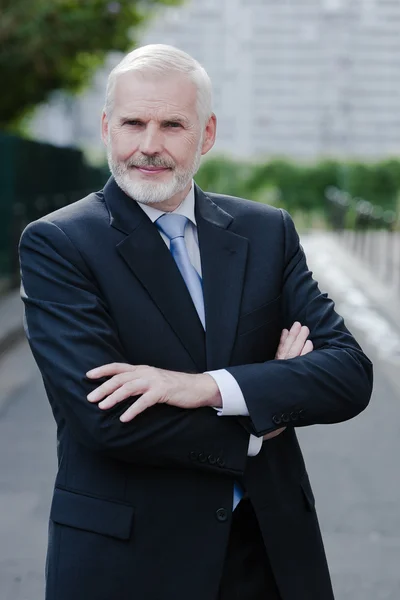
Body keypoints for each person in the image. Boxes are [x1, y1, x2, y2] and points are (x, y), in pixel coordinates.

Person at [19, 44, 373, 600]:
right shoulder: (59, 243)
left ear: (206, 134)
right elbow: (106, 418)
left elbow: (349, 373)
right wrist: (258, 415)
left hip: (270, 555)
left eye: (172, 125)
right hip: (131, 563)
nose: (149, 146)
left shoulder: (266, 232)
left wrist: (206, 388)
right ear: (108, 128)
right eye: (134, 123)